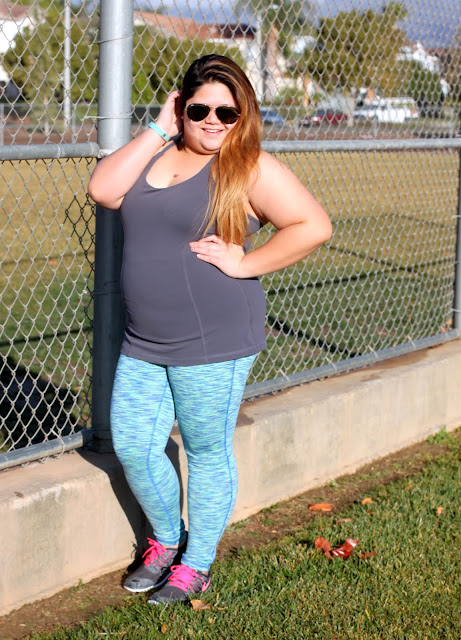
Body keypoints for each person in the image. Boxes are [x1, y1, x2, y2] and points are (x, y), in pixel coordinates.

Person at [88, 54, 332, 605]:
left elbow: (313, 225)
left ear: (243, 114)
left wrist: (245, 264)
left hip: (213, 340)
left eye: (228, 112)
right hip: (144, 339)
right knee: (134, 444)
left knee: (205, 450)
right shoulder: (158, 153)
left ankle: (196, 564)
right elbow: (103, 190)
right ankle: (166, 541)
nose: (214, 121)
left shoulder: (247, 166)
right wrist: (160, 127)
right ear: (182, 106)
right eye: (200, 109)